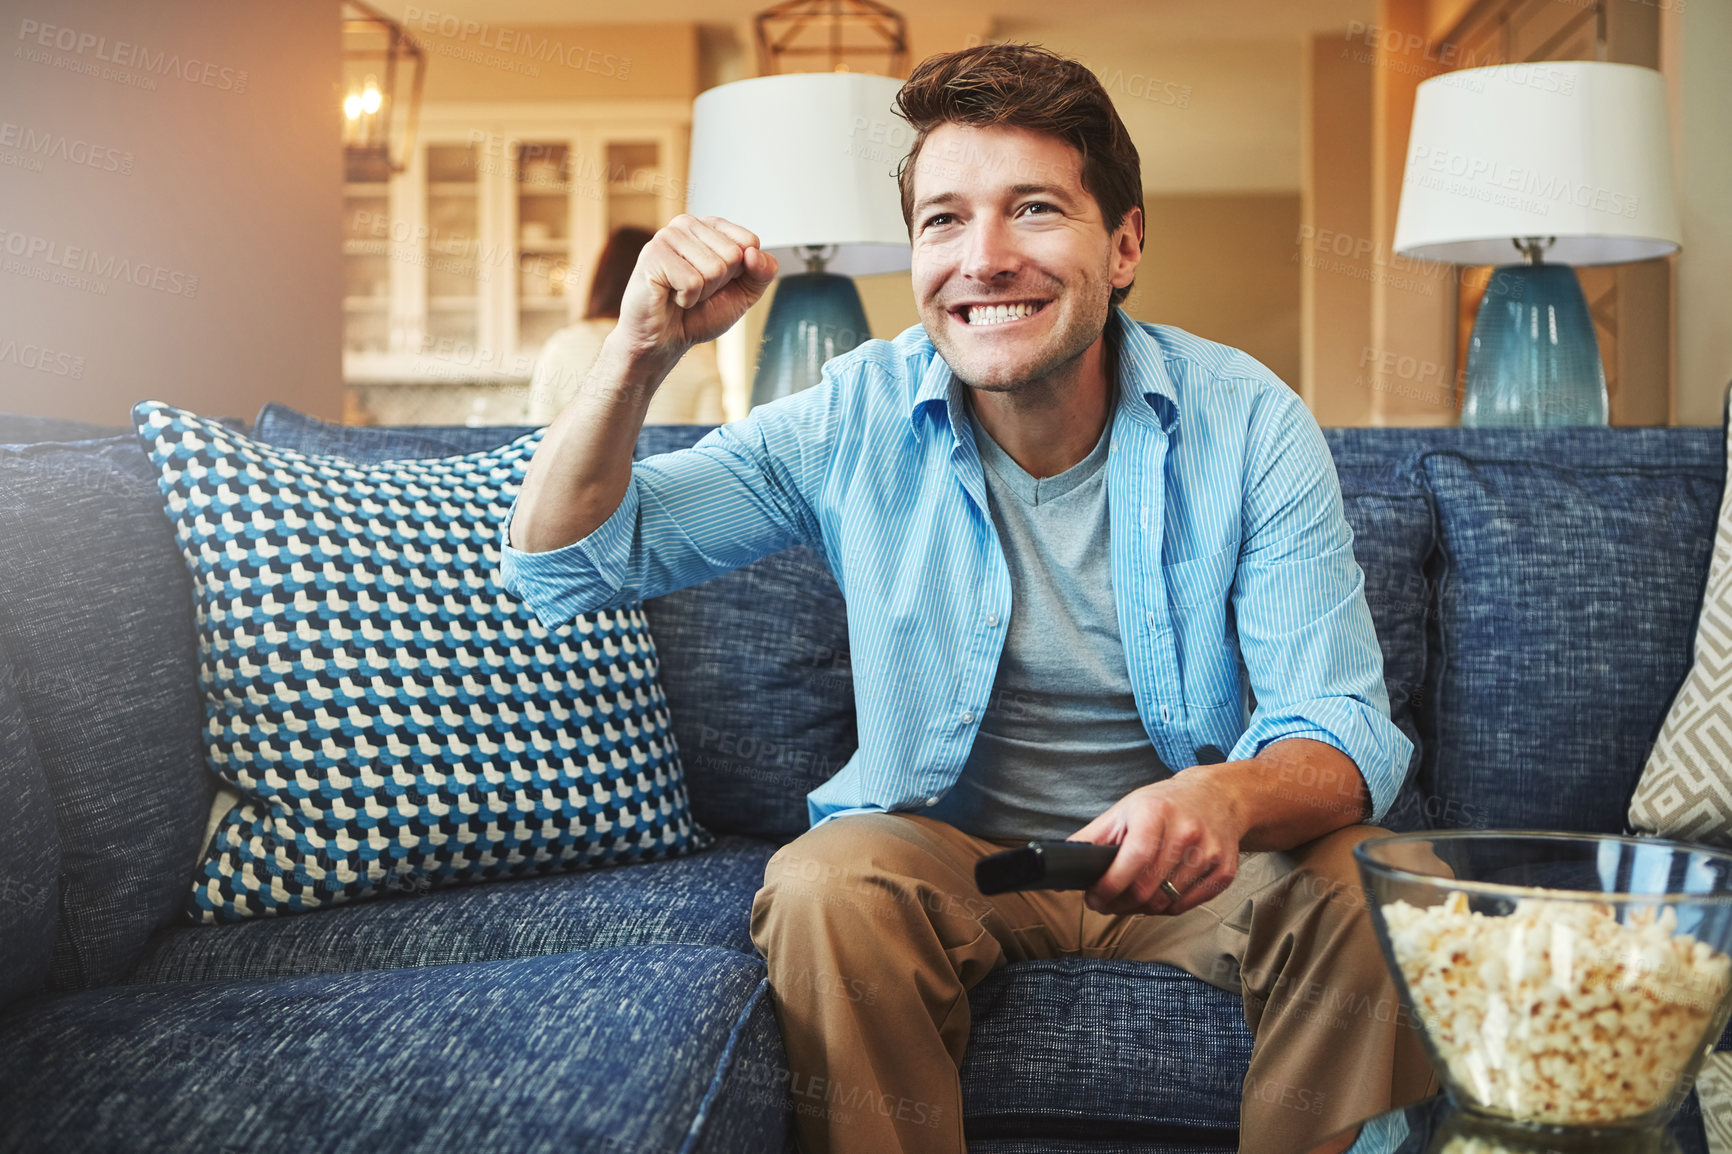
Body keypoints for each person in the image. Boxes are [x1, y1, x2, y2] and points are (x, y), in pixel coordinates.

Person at [499, 43, 1435, 1154]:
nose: (983, 258)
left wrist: (1221, 798)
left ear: (1124, 243)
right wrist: (639, 353)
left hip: (1196, 870)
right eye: (943, 220)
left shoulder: (1248, 422)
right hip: (947, 859)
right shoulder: (852, 413)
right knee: (820, 883)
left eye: (1033, 209)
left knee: (1386, 883)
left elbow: (1337, 728)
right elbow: (572, 559)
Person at [526, 225, 725, 426]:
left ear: (602, 279)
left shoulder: (563, 345)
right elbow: (709, 438)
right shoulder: (698, 350)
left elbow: (539, 439)